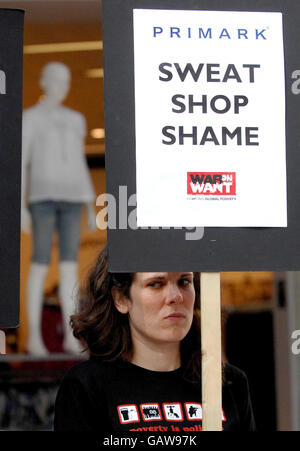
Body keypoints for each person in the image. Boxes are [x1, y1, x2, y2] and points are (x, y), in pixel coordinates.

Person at [54, 246, 256, 431]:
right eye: (156, 284)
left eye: (184, 281)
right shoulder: (86, 387)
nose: (176, 296)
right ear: (121, 299)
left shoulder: (229, 383)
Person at [21, 62, 96, 355]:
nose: (61, 87)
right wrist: (21, 205)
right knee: (39, 265)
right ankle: (34, 338)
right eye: (57, 80)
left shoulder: (74, 119)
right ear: (44, 82)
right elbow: (23, 162)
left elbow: (79, 161)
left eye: (66, 81)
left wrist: (90, 206)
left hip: (72, 198)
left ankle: (70, 336)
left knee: (68, 269)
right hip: (42, 197)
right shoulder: (31, 119)